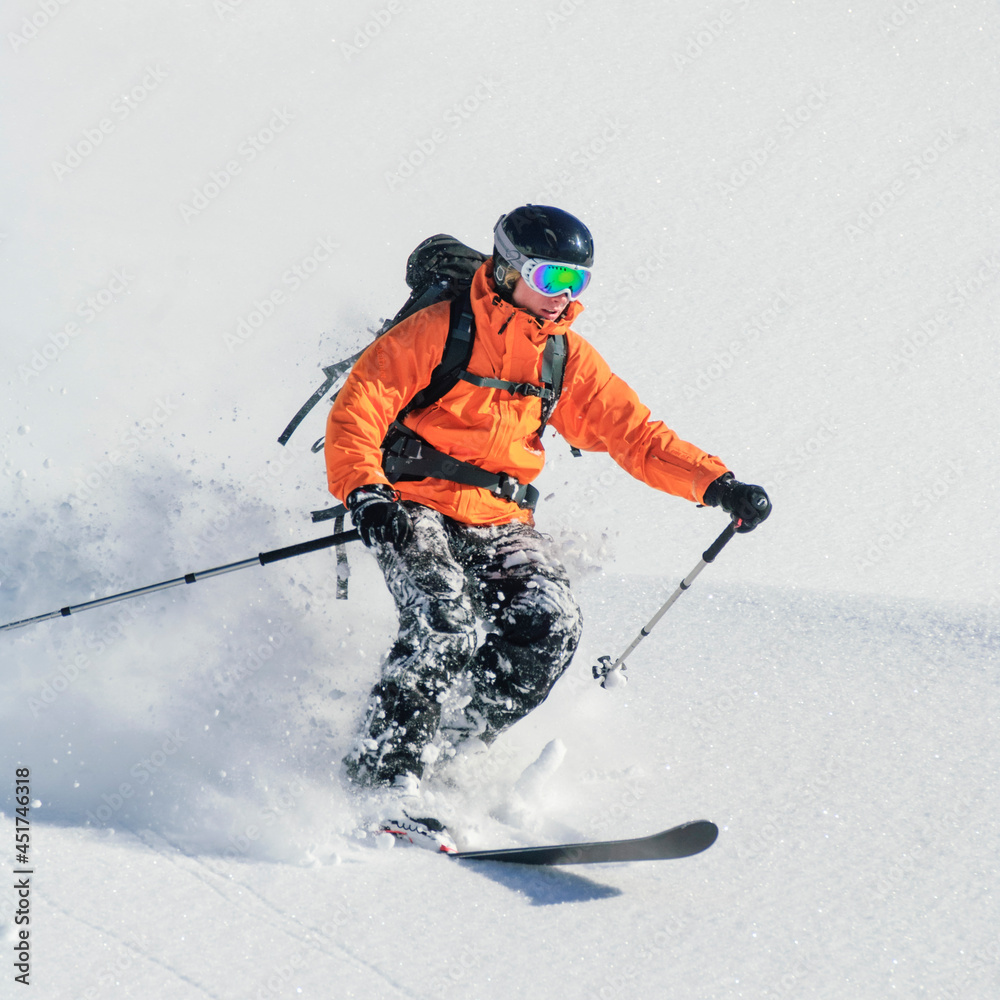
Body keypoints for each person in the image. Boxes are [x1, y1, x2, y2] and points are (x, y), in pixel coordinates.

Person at [324, 205, 769, 844]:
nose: (562, 297)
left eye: (576, 283)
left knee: (550, 627)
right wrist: (367, 495)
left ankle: (446, 748)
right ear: (506, 270)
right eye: (550, 278)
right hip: (412, 505)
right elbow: (358, 411)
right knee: (444, 623)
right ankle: (381, 778)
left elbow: (634, 435)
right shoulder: (437, 331)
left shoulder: (563, 355)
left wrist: (717, 484)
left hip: (502, 517)